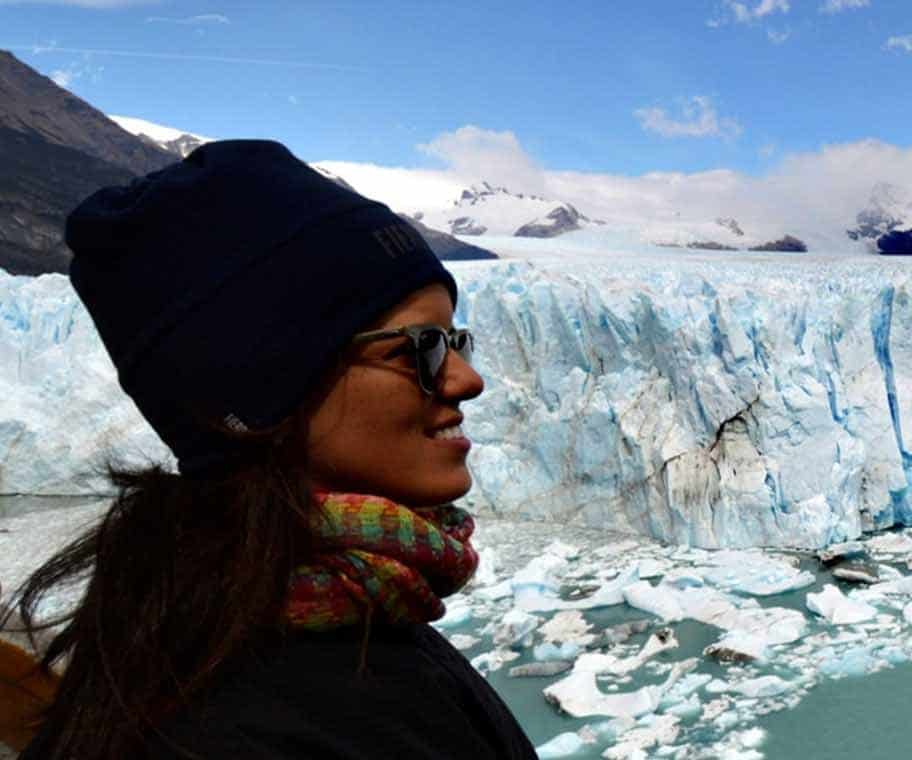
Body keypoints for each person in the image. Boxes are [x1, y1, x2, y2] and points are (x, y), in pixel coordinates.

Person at [5, 140, 537, 758]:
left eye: (456, 341)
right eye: (418, 347)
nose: (465, 379)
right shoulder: (256, 719)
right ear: (265, 389)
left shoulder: (319, 615)